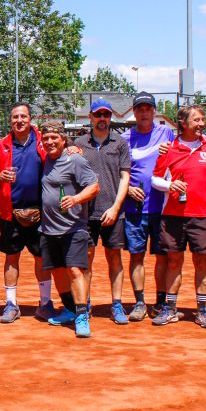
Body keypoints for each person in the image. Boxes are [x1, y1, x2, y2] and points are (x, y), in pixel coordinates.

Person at [151, 105, 206, 327]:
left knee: (202, 262)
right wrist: (171, 184)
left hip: (202, 214)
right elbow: (155, 179)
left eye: (202, 120)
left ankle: (202, 310)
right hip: (173, 216)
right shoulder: (168, 149)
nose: (201, 124)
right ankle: (170, 308)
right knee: (173, 262)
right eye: (196, 120)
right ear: (183, 123)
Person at [0, 103, 54, 322]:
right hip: (10, 213)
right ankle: (11, 304)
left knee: (41, 258)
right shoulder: (2, 145)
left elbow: (61, 153)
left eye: (23, 116)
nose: (19, 120)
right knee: (11, 258)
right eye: (15, 117)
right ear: (10, 120)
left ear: (30, 118)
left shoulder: (42, 140)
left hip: (41, 212)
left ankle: (45, 303)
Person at [37, 121, 100, 338]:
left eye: (54, 137)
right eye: (46, 138)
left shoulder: (75, 159)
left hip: (74, 228)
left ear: (64, 140)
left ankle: (82, 315)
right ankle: (70, 309)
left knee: (74, 270)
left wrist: (75, 199)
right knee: (57, 270)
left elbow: (94, 186)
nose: (50, 141)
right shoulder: (44, 159)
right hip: (48, 228)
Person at [74, 99, 131, 324]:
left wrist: (116, 208)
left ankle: (116, 304)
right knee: (86, 260)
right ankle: (84, 302)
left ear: (111, 117)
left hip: (113, 212)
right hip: (86, 214)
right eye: (98, 115)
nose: (102, 119)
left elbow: (125, 177)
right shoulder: (78, 144)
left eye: (106, 115)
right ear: (90, 117)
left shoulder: (120, 143)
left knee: (114, 257)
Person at [122, 92, 176, 321]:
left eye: (148, 108)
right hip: (135, 209)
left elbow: (178, 160)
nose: (144, 112)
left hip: (162, 208)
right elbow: (115, 172)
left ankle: (161, 302)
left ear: (154, 111)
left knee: (163, 257)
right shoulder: (124, 139)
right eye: (140, 109)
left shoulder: (167, 133)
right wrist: (126, 190)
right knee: (136, 256)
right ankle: (139, 302)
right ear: (134, 112)